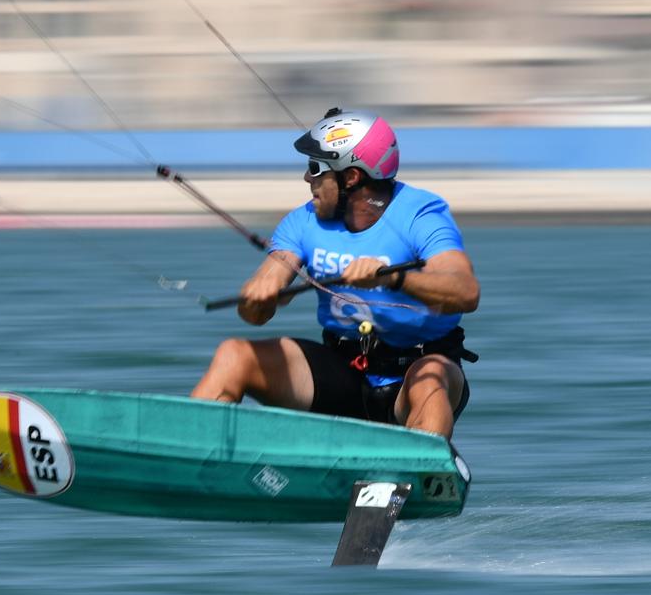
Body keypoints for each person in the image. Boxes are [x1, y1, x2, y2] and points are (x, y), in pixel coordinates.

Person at [191, 108, 479, 439]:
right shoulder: (302, 221)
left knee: (431, 375)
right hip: (342, 372)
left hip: (415, 375)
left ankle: (417, 475)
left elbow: (466, 291)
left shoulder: (421, 214)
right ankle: (187, 456)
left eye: (315, 169)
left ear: (351, 177)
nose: (307, 179)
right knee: (234, 354)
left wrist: (393, 278)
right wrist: (259, 295)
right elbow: (256, 311)